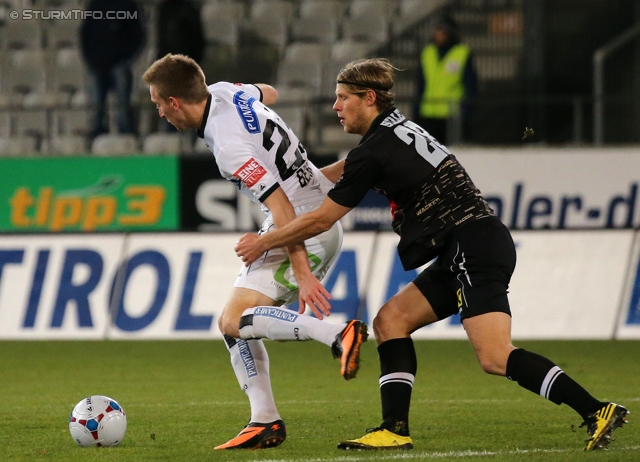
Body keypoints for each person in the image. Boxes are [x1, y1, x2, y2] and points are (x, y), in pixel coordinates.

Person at [235, 58, 629, 451]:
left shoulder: (372, 151)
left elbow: (322, 220)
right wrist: (304, 179)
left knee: (493, 356)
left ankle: (596, 409)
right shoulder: (396, 128)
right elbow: (347, 169)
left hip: (471, 245)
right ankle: (394, 429)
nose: (335, 107)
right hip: (466, 244)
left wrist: (264, 241)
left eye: (343, 98)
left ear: (368, 98)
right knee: (391, 321)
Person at [141, 54, 368, 450]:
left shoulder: (229, 146)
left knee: (235, 319)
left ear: (176, 101)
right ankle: (264, 420)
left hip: (304, 225)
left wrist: (303, 272)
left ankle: (337, 334)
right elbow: (270, 92)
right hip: (312, 208)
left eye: (159, 104)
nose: (160, 113)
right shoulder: (226, 91)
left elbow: (283, 209)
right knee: (233, 324)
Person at [80, 0, 145, 138]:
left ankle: (126, 136)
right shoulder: (95, 5)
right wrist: (90, 59)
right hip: (96, 65)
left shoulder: (128, 5)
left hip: (119, 65)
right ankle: (97, 135)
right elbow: (85, 32)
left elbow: (138, 35)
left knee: (123, 107)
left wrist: (126, 60)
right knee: (96, 107)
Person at [414, 15, 477, 145]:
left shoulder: (462, 52)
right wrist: (416, 108)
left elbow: (470, 83)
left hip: (452, 114)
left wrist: (467, 108)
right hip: (428, 112)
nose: (438, 34)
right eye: (437, 31)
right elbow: (421, 83)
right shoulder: (428, 52)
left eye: (442, 31)